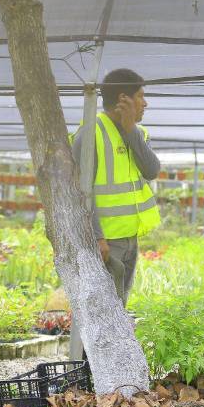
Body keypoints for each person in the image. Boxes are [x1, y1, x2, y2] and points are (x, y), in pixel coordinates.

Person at [71, 68, 161, 306]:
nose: (146, 103)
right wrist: (97, 238)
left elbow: (151, 170)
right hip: (106, 243)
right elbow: (81, 192)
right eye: (141, 96)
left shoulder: (138, 133)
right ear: (124, 99)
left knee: (119, 309)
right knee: (103, 311)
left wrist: (131, 129)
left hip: (130, 238)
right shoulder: (91, 134)